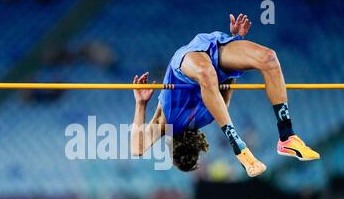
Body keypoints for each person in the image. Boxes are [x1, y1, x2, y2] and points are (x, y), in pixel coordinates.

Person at [130, 14, 320, 177]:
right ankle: (285, 137)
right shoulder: (212, 115)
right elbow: (227, 80)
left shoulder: (168, 124)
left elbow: (137, 149)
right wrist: (236, 40)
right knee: (268, 58)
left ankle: (245, 144)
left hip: (187, 63)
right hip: (212, 58)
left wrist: (140, 104)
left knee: (207, 72)